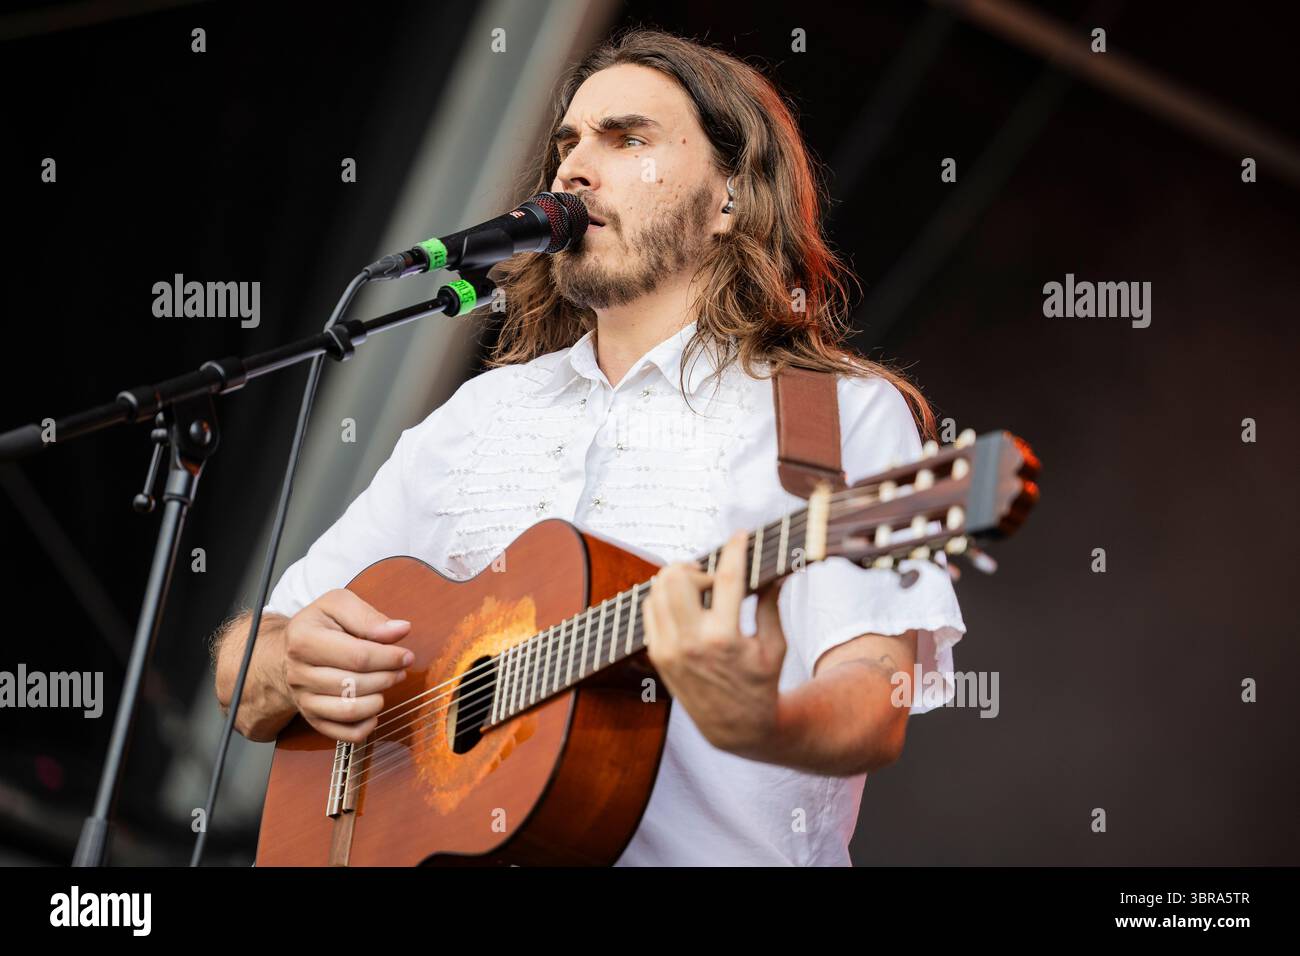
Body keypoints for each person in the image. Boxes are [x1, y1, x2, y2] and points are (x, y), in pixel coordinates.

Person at [213, 28, 966, 866]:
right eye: (569, 142)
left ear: (729, 201)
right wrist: (286, 661)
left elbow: (874, 697)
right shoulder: (481, 415)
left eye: (627, 139)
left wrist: (762, 719)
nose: (572, 167)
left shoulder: (829, 417)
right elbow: (244, 671)